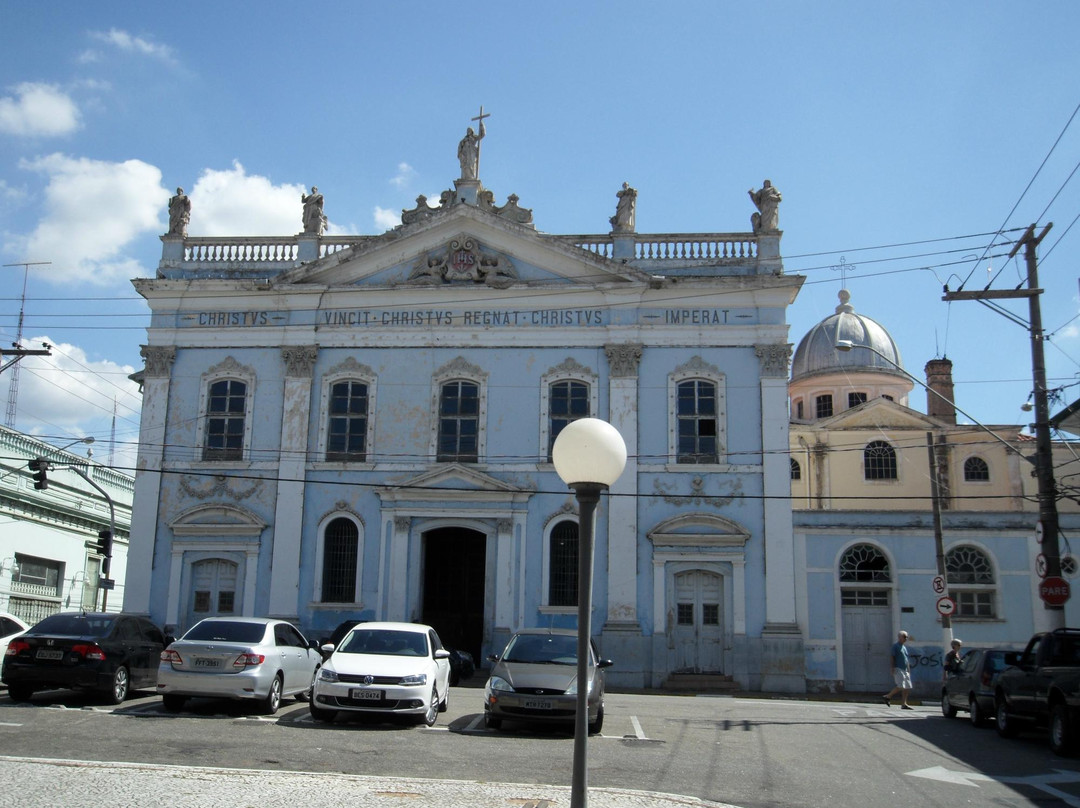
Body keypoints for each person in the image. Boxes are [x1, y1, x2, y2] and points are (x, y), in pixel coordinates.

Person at [883, 630, 913, 709]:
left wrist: (908, 669)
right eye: (904, 637)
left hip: (905, 669)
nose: (906, 638)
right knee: (901, 686)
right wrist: (892, 667)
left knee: (907, 687)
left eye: (907, 637)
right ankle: (888, 696)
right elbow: (892, 657)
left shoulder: (904, 647)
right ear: (899, 637)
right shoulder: (895, 646)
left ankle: (904, 703)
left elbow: (906, 659)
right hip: (898, 668)